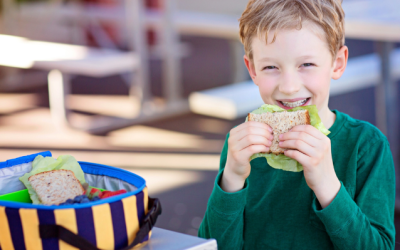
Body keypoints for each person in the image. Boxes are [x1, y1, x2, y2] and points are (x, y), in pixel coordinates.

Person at [198, 0, 396, 249]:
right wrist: (232, 178)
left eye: (306, 64)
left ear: (337, 62)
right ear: (252, 70)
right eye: (270, 67)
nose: (289, 86)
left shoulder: (367, 146)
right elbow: (213, 245)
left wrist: (328, 186)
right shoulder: (242, 146)